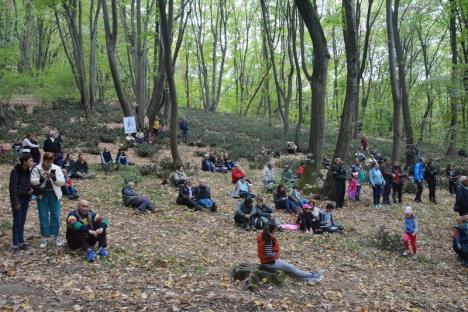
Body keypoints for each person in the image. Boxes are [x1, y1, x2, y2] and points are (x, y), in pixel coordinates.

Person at [257, 222, 323, 283]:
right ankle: (313, 275)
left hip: (268, 261)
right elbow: (268, 254)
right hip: (269, 263)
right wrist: (276, 254)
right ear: (273, 230)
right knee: (291, 268)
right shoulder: (268, 240)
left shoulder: (264, 236)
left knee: (290, 269)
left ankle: (309, 279)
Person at [30, 152, 66, 248]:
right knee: (43, 215)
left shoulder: (56, 168)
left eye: (51, 161)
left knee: (55, 214)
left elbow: (62, 182)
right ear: (43, 160)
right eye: (47, 161)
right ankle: (45, 236)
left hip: (54, 195)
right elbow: (32, 180)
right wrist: (41, 179)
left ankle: (56, 236)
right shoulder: (37, 168)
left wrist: (53, 177)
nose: (49, 163)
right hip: (42, 195)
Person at [9, 153, 34, 254]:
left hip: (25, 199)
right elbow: (13, 189)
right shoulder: (15, 171)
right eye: (30, 161)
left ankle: (21, 242)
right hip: (18, 200)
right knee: (17, 222)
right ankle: (15, 244)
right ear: (24, 161)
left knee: (22, 221)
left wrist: (30, 190)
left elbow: (26, 184)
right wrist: (16, 203)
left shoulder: (27, 171)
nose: (32, 162)